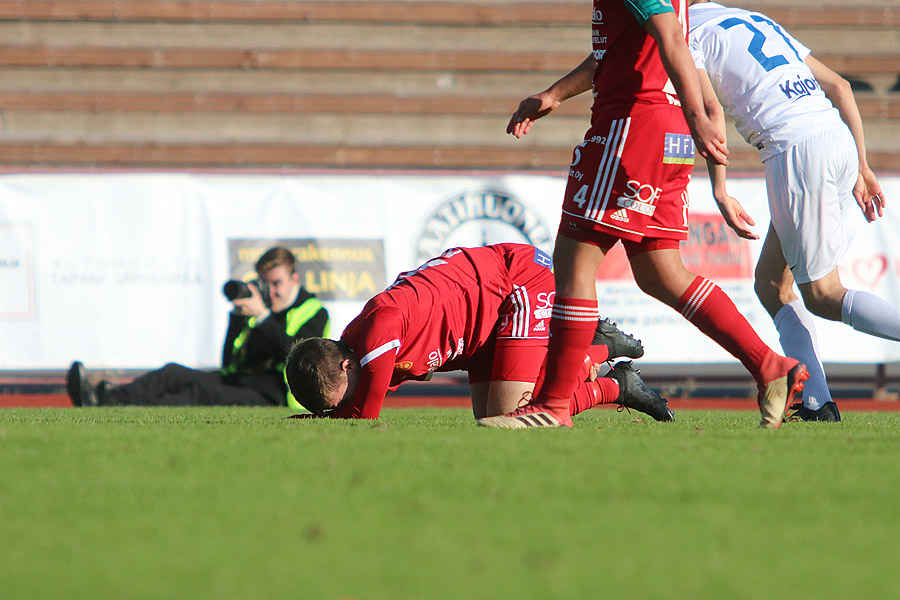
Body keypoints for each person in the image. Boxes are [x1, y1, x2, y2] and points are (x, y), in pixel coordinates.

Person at [478, 0, 808, 430]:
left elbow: (670, 37)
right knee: (661, 273)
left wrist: (699, 118)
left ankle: (554, 405)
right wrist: (555, 94)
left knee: (575, 263)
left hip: (631, 128)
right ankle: (768, 365)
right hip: (664, 134)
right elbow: (621, 51)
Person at [687, 0, 890, 422]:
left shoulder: (688, 30)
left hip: (794, 151)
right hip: (835, 135)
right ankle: (817, 403)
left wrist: (720, 190)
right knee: (771, 285)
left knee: (822, 294)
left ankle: (818, 402)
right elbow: (841, 88)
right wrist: (862, 164)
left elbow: (709, 111)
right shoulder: (751, 17)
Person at [284, 243, 674, 423]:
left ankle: (600, 359)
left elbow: (365, 415)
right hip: (481, 327)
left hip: (517, 285)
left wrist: (316, 420)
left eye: (341, 399)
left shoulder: (377, 333)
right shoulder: (364, 344)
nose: (347, 405)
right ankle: (612, 377)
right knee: (493, 422)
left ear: (348, 364)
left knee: (517, 418)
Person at [66, 246, 330, 407]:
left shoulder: (315, 312)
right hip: (241, 380)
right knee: (172, 372)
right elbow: (228, 361)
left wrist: (262, 317)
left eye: (277, 283)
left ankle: (118, 405)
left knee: (200, 392)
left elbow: (298, 355)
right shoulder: (260, 308)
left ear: (294, 278)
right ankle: (105, 399)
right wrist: (238, 318)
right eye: (265, 283)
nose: (270, 291)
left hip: (275, 393)